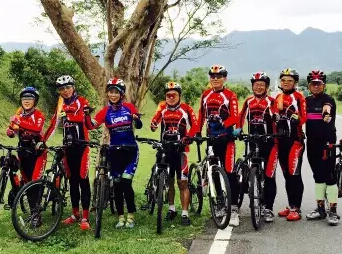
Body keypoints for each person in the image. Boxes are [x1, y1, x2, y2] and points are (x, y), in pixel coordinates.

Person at [87, 78, 142, 229]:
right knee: (117, 185)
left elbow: (139, 125)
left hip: (130, 151)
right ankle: (121, 217)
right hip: (115, 151)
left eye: (116, 92)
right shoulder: (105, 111)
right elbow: (91, 125)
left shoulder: (129, 107)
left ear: (121, 94)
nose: (113, 95)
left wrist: (137, 119)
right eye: (110, 92)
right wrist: (86, 115)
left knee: (126, 183)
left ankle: (131, 216)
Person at [49, 75, 94, 231]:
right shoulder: (60, 106)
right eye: (62, 89)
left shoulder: (82, 101)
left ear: (73, 87)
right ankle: (75, 214)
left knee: (83, 180)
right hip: (68, 149)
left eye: (68, 87)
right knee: (72, 181)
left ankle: (85, 217)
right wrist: (43, 141)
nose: (65, 91)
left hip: (82, 147)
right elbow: (53, 125)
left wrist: (69, 114)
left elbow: (84, 119)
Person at [197, 65, 241, 227]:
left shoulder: (230, 95)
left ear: (224, 78)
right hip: (211, 139)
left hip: (227, 139)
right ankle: (221, 204)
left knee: (229, 172)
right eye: (212, 76)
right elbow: (201, 116)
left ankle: (234, 209)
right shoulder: (205, 95)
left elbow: (235, 117)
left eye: (219, 76)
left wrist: (224, 124)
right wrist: (196, 132)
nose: (215, 79)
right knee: (214, 172)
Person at [150, 81, 197, 226]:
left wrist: (189, 137)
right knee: (169, 181)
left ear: (179, 96)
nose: (171, 97)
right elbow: (154, 121)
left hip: (181, 151)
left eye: (174, 95)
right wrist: (153, 125)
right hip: (166, 149)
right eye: (168, 95)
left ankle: (185, 213)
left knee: (182, 182)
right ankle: (171, 209)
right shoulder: (162, 108)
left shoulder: (186, 109)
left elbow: (195, 125)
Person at [234, 72, 279, 223]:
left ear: (267, 87)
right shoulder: (248, 101)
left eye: (262, 85)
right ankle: (253, 187)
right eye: (256, 85)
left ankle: (268, 208)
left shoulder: (271, 101)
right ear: (252, 86)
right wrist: (238, 129)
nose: (258, 87)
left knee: (269, 176)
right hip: (253, 141)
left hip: (270, 142)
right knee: (252, 169)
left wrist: (278, 120)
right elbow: (241, 117)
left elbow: (277, 115)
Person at [304, 70, 340, 225]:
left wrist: (326, 115)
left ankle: (333, 212)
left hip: (327, 143)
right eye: (313, 84)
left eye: (319, 84)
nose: (316, 86)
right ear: (309, 86)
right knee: (318, 176)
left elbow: (327, 109)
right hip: (312, 143)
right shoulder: (306, 101)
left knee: (329, 177)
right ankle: (320, 210)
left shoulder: (328, 100)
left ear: (324, 85)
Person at [275, 68, 307, 221]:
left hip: (295, 141)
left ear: (295, 82)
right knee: (287, 175)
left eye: (289, 81)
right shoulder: (278, 97)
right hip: (281, 141)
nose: (286, 83)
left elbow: (304, 117)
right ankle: (291, 205)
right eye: (283, 80)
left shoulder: (299, 97)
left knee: (294, 175)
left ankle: (296, 208)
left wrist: (297, 118)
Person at [6, 86, 52, 183]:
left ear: (35, 101)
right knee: (25, 183)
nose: (26, 101)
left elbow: (37, 129)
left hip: (38, 154)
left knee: (34, 183)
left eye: (30, 98)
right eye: (24, 98)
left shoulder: (38, 115)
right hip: (22, 152)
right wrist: (10, 132)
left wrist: (19, 122)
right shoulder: (18, 115)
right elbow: (12, 131)